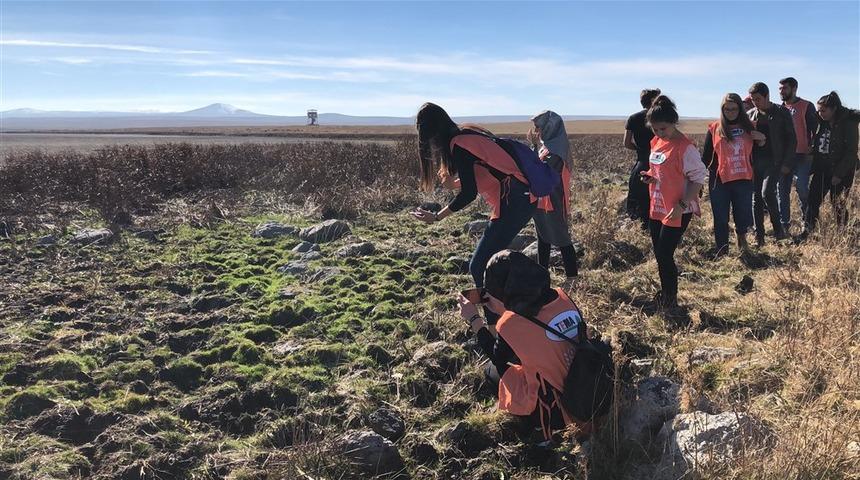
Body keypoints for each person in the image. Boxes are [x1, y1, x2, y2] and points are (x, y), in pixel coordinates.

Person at [413, 102, 537, 323]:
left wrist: (437, 217)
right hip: (520, 197)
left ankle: (497, 324)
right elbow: (488, 170)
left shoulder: (459, 144)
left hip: (515, 200)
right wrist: (454, 185)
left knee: (479, 265)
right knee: (494, 261)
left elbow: (470, 193)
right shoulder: (467, 132)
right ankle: (514, 311)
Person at [458, 250, 591, 443]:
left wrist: (474, 319)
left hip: (562, 411)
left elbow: (498, 357)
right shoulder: (562, 297)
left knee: (492, 370)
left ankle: (533, 425)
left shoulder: (510, 325)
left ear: (502, 291)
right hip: (590, 389)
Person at [640, 95, 707, 307]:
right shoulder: (656, 142)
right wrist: (650, 176)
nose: (660, 133)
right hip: (658, 205)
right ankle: (665, 293)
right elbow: (660, 169)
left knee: (665, 253)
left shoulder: (685, 147)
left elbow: (698, 178)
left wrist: (682, 205)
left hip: (678, 208)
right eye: (655, 129)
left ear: (673, 123)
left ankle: (671, 299)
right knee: (659, 254)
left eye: (663, 129)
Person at [702, 93, 765, 257]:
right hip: (719, 179)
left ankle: (742, 241)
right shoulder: (715, 128)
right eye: (727, 109)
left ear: (740, 109)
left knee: (742, 214)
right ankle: (722, 249)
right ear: (722, 109)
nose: (730, 112)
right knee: (720, 216)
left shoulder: (750, 127)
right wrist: (697, 179)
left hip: (743, 178)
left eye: (734, 108)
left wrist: (762, 140)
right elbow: (706, 156)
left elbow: (760, 152)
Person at [528, 110, 578, 278]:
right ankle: (542, 273)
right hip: (542, 199)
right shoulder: (548, 146)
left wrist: (534, 147)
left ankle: (572, 277)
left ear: (549, 127)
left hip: (554, 199)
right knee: (543, 236)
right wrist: (535, 147)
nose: (536, 131)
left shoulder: (557, 149)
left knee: (562, 237)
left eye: (538, 127)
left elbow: (541, 171)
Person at [748, 82, 797, 245]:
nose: (755, 102)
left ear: (767, 96)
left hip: (775, 161)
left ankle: (779, 232)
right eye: (753, 99)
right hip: (755, 162)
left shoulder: (781, 112)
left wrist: (787, 163)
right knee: (756, 198)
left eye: (758, 99)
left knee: (767, 192)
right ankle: (759, 236)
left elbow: (792, 140)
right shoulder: (750, 115)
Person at [804, 91, 860, 235]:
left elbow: (851, 152)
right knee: (813, 200)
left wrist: (839, 174)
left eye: (823, 110)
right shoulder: (821, 122)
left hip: (840, 170)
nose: (820, 113)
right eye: (819, 110)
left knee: (837, 203)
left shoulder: (848, 122)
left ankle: (842, 233)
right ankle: (808, 231)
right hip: (821, 168)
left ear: (834, 108)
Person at [778, 77, 819, 232]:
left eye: (785, 88)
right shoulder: (779, 109)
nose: (782, 91)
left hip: (803, 156)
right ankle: (784, 225)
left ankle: (807, 221)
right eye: (780, 89)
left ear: (794, 88)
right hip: (784, 157)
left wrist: (812, 147)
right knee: (782, 191)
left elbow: (815, 128)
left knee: (802, 188)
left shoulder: (806, 106)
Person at [624, 88, 662, 230]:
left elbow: (626, 143)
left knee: (640, 201)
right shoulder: (661, 118)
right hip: (660, 164)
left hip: (641, 164)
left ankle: (643, 229)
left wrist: (641, 150)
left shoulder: (633, 118)